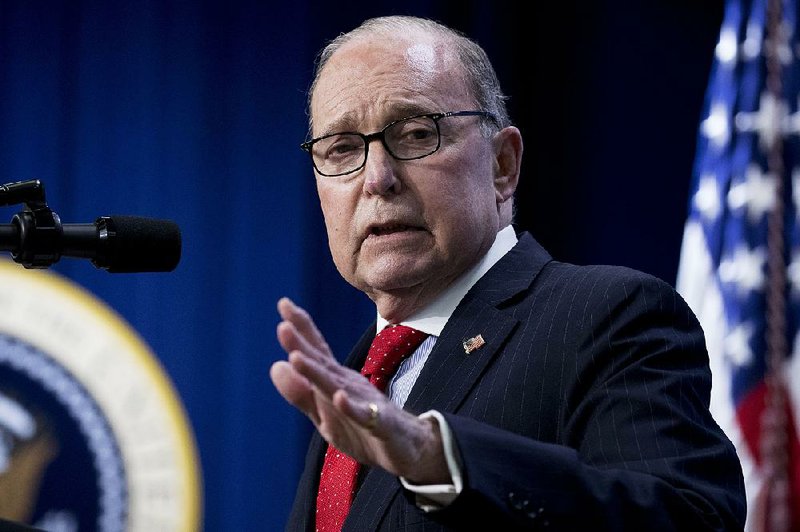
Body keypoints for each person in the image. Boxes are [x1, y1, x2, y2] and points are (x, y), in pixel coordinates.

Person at [270, 14, 746, 531]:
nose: (378, 179)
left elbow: (692, 520)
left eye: (415, 134)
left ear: (502, 165)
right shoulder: (364, 369)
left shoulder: (605, 316)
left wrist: (438, 458)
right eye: (342, 148)